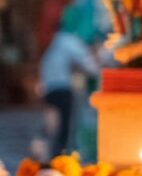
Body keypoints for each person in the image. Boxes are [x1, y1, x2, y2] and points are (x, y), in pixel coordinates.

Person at [38, 3, 100, 155]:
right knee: (64, 130)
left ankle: (50, 157)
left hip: (48, 89)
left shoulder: (53, 43)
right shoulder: (68, 41)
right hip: (62, 89)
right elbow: (89, 65)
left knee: (51, 128)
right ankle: (60, 158)